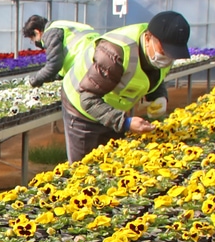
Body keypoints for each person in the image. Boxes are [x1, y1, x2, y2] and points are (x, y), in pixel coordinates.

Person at [61, 11, 190, 162]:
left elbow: (154, 74)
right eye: (165, 51)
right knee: (83, 165)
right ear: (148, 38)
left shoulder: (159, 55)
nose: (168, 58)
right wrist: (125, 123)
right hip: (82, 107)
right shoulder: (115, 52)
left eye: (173, 54)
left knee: (112, 161)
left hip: (114, 107)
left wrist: (159, 96)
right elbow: (88, 99)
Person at [21, 14, 98, 86]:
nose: (34, 42)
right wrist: (55, 76)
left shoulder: (50, 33)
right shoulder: (61, 25)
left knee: (72, 96)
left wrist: (36, 79)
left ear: (37, 32)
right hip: (99, 54)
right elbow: (61, 62)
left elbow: (53, 65)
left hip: (85, 62)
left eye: (33, 39)